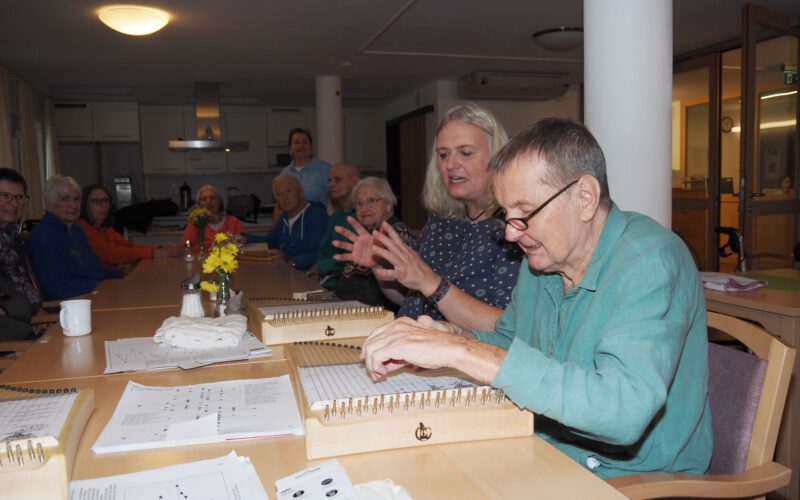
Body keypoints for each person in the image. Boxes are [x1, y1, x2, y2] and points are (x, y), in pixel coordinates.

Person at [360, 118, 712, 479]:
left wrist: (463, 353)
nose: (512, 234)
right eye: (506, 215)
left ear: (585, 198)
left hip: (630, 481)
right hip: (545, 450)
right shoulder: (542, 262)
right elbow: (508, 341)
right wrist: (450, 337)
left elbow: (623, 411)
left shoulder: (648, 261)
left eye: (524, 213)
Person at [334, 103, 522, 330]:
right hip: (411, 346)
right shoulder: (441, 222)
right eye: (443, 155)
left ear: (497, 158)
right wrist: (378, 267)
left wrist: (432, 283)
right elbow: (410, 298)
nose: (451, 164)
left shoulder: (514, 230)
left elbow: (507, 328)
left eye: (465, 152)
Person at [25, 175, 123, 301]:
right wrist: (102, 286)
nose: (73, 205)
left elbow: (95, 270)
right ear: (49, 204)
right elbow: (57, 289)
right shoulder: (43, 237)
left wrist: (124, 276)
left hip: (94, 296)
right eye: (65, 199)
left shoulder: (77, 231)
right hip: (72, 307)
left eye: (76, 199)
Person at [336, 177, 414, 311]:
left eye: (371, 201)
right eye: (359, 203)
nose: (364, 208)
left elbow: (404, 291)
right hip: (347, 307)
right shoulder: (367, 235)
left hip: (377, 314)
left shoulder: (396, 234)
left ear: (389, 204)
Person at [78, 185, 182, 270]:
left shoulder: (106, 230)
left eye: (106, 200)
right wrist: (154, 253)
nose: (103, 205)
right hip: (99, 283)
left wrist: (161, 248)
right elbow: (111, 254)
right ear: (85, 205)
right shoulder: (83, 228)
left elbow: (130, 247)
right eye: (97, 201)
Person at [0, 168, 43, 339]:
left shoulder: (13, 241)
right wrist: (30, 320)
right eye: (4, 196)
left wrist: (37, 310)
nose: (14, 203)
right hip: (15, 344)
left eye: (19, 197)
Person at [264, 174, 328, 270]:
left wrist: (292, 260)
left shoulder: (317, 216)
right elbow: (270, 241)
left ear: (301, 192)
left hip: (308, 276)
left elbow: (324, 252)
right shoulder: (284, 217)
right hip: (287, 271)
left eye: (289, 191)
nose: (284, 197)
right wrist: (245, 238)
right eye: (279, 194)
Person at [313, 163, 360, 288]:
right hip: (326, 283)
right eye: (329, 180)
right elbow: (324, 251)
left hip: (348, 288)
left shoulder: (362, 216)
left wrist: (320, 266)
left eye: (337, 179)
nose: (331, 185)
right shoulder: (335, 216)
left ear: (354, 181)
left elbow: (352, 259)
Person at [182, 185, 245, 253]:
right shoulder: (195, 223)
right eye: (204, 199)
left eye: (212, 198)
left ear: (219, 202)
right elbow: (186, 247)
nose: (209, 201)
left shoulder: (233, 221)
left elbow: (242, 242)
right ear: (199, 205)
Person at [280, 128, 332, 207]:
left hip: (317, 218)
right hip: (290, 219)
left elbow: (337, 199)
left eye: (305, 142)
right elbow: (280, 204)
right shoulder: (285, 173)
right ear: (290, 148)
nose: (301, 145)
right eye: (296, 142)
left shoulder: (325, 169)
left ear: (311, 146)